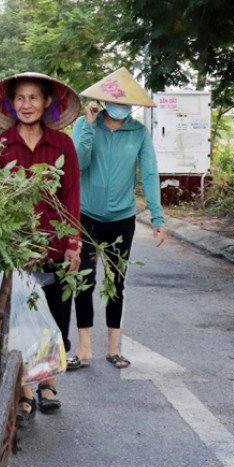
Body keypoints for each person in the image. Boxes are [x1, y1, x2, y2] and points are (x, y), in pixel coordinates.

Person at [0, 72, 82, 421]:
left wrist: (73, 243)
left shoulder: (63, 145)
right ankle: (25, 388)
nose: (26, 105)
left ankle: (47, 382)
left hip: (53, 246)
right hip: (13, 248)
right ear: (11, 104)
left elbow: (70, 197)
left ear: (47, 102)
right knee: (18, 319)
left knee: (51, 316)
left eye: (33, 98)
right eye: (20, 98)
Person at [70, 68, 167, 370]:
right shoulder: (85, 124)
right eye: (116, 100)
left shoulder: (138, 132)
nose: (121, 105)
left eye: (127, 101)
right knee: (83, 279)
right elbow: (79, 163)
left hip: (122, 217)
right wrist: (87, 124)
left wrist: (157, 217)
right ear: (103, 99)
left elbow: (149, 173)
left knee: (116, 281)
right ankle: (84, 347)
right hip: (86, 215)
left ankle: (114, 347)